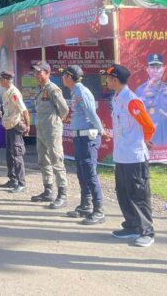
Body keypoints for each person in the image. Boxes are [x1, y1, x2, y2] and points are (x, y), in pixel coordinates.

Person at [102, 64, 156, 248]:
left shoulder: (132, 101)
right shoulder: (117, 98)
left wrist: (143, 141)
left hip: (134, 156)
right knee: (123, 193)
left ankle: (147, 231)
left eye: (108, 78)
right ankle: (132, 225)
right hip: (121, 155)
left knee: (138, 195)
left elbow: (149, 126)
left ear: (115, 80)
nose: (106, 81)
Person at [61, 65, 105, 224]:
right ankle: (86, 205)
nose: (62, 78)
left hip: (87, 138)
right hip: (80, 137)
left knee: (90, 173)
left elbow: (91, 113)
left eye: (64, 75)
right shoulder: (75, 91)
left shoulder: (81, 91)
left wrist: (101, 130)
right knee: (81, 172)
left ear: (69, 76)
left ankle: (99, 210)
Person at [30, 61, 70, 208]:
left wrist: (55, 121)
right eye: (35, 72)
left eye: (39, 72)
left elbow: (64, 110)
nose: (36, 74)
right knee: (43, 160)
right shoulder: (40, 89)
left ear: (47, 73)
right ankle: (48, 191)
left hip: (52, 130)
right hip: (41, 130)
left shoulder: (53, 89)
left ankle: (62, 194)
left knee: (56, 161)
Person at [135, 53, 167, 146]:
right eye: (153, 68)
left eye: (158, 67)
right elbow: (135, 115)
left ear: (163, 69)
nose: (155, 71)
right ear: (148, 70)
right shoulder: (140, 90)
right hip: (148, 140)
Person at [0, 70, 30, 193]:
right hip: (8, 126)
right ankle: (13, 180)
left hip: (15, 126)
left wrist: (27, 125)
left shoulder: (14, 93)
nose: (0, 81)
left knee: (17, 155)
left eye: (1, 79)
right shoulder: (6, 92)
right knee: (9, 155)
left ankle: (21, 183)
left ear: (6, 80)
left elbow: (24, 110)